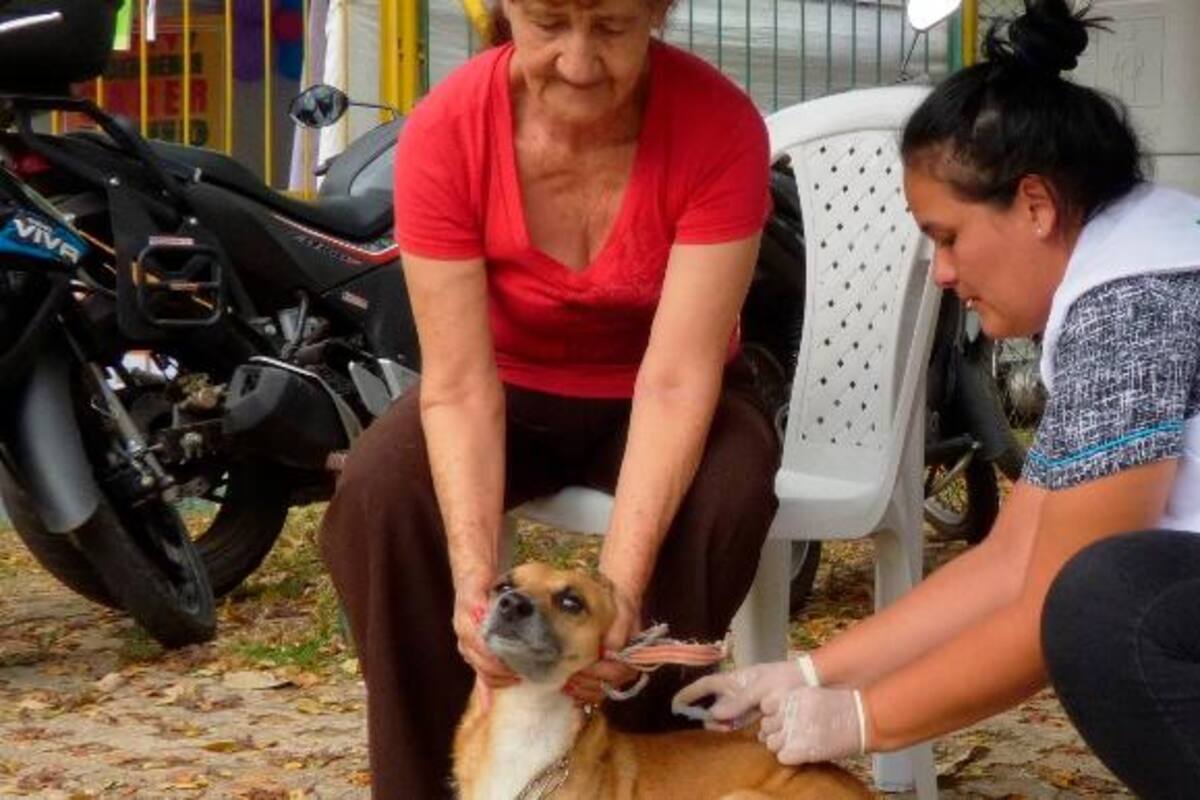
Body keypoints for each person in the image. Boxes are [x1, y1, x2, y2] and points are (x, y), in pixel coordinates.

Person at [675, 1, 1200, 796]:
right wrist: (810, 673)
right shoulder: (1129, 262)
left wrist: (862, 718)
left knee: (1105, 610)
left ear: (1034, 205)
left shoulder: (1134, 306)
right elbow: (1009, 560)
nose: (944, 272)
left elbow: (1054, 606)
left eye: (947, 236)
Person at [317, 0, 780, 793]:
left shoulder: (718, 127)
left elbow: (675, 382)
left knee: (728, 490)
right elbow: (460, 386)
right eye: (547, 24)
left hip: (660, 388)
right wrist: (474, 594)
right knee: (381, 491)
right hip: (508, 383)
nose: (578, 61)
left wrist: (619, 593)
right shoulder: (449, 129)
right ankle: (423, 780)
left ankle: (639, 765)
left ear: (659, 12)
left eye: (611, 26)